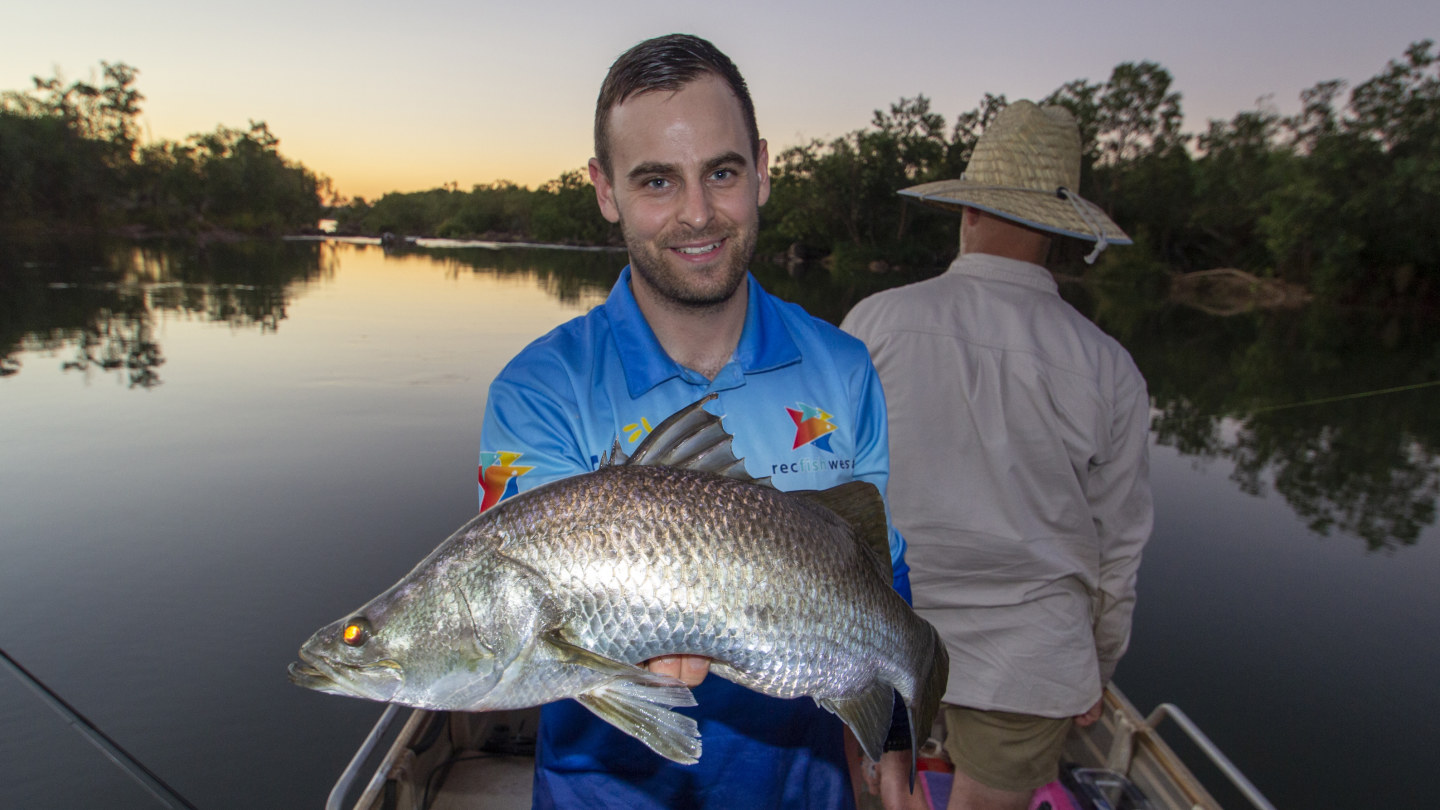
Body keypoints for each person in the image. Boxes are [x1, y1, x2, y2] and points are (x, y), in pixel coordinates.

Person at [478, 33, 918, 810]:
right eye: (656, 180)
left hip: (805, 790)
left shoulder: (843, 369)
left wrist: (891, 743)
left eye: (722, 171)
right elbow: (527, 604)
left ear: (763, 170)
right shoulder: (539, 389)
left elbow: (880, 576)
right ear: (605, 190)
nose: (697, 213)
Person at [842, 100, 1153, 810]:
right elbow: (1119, 553)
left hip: (891, 636)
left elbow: (834, 489)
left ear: (969, 210)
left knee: (888, 792)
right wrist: (1093, 669)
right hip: (1034, 660)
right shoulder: (1110, 367)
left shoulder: (876, 322)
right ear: (1057, 231)